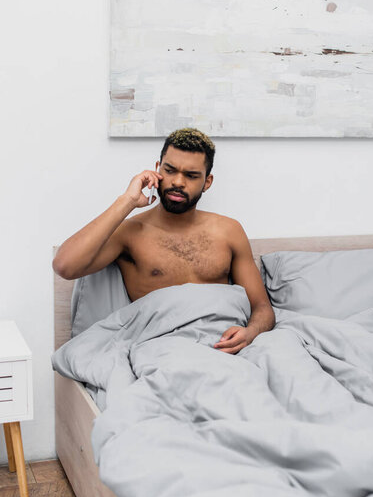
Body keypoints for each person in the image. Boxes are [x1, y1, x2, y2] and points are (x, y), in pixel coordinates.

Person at [52, 127, 275, 353]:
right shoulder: (131, 232)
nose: (178, 181)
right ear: (157, 170)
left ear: (207, 182)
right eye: (170, 170)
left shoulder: (229, 231)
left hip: (223, 349)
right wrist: (127, 201)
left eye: (191, 175)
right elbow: (64, 266)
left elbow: (262, 308)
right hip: (161, 351)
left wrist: (250, 333)